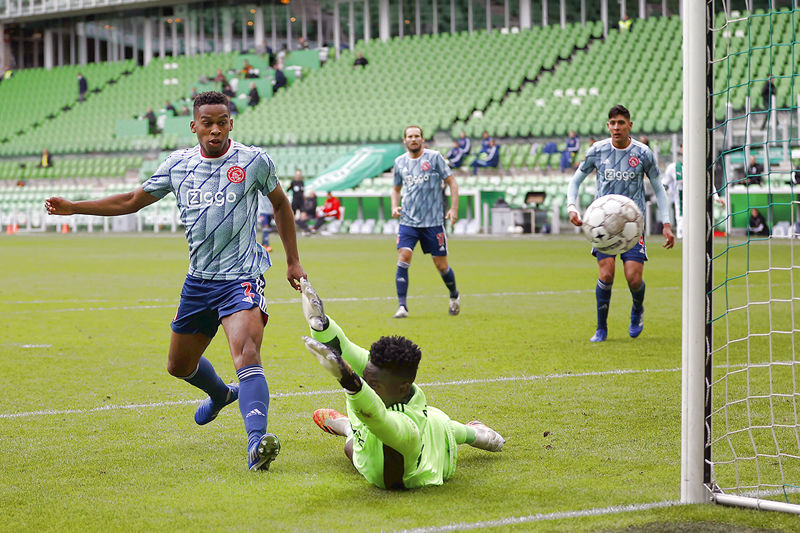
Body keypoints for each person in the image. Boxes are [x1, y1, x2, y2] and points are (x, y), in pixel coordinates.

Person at [44, 91, 306, 472]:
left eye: (222, 122)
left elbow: (281, 203)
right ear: (194, 126)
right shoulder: (178, 165)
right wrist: (74, 207)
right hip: (199, 282)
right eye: (207, 123)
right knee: (179, 366)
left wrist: (293, 261)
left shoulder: (254, 161)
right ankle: (219, 396)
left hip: (242, 277)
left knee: (247, 354)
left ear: (231, 123)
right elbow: (132, 201)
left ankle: (256, 445)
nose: (215, 130)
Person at [297, 279, 505, 490]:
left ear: (403, 388)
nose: (367, 383)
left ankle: (478, 435)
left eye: (374, 383)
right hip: (373, 431)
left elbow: (381, 420)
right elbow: (348, 351)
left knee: (443, 427)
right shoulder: (382, 378)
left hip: (411, 464)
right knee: (357, 441)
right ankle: (349, 426)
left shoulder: (407, 429)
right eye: (365, 377)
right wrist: (321, 324)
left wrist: (351, 382)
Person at [567, 104, 674, 343]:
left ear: (630, 126)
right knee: (606, 275)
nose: (617, 127)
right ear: (608, 126)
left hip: (632, 226)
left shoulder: (643, 153)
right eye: (613, 123)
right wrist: (572, 207)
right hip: (601, 225)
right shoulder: (597, 151)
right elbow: (575, 182)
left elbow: (658, 186)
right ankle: (601, 328)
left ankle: (637, 308)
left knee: (633, 278)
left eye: (621, 123)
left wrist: (666, 223)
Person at [391, 126, 460, 318]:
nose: (413, 139)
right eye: (410, 136)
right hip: (408, 221)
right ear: (405, 140)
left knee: (441, 266)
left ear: (422, 139)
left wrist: (453, 208)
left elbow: (452, 182)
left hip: (433, 222)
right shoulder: (399, 162)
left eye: (417, 136)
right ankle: (402, 306)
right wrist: (394, 206)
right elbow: (396, 189)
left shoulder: (434, 157)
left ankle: (454, 295)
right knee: (403, 257)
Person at [662, 143, 724, 239]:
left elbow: (708, 183)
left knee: (696, 231)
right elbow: (664, 184)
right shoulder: (673, 168)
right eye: (683, 147)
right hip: (681, 204)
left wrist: (716, 197)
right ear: (681, 150)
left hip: (696, 202)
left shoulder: (698, 167)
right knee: (681, 230)